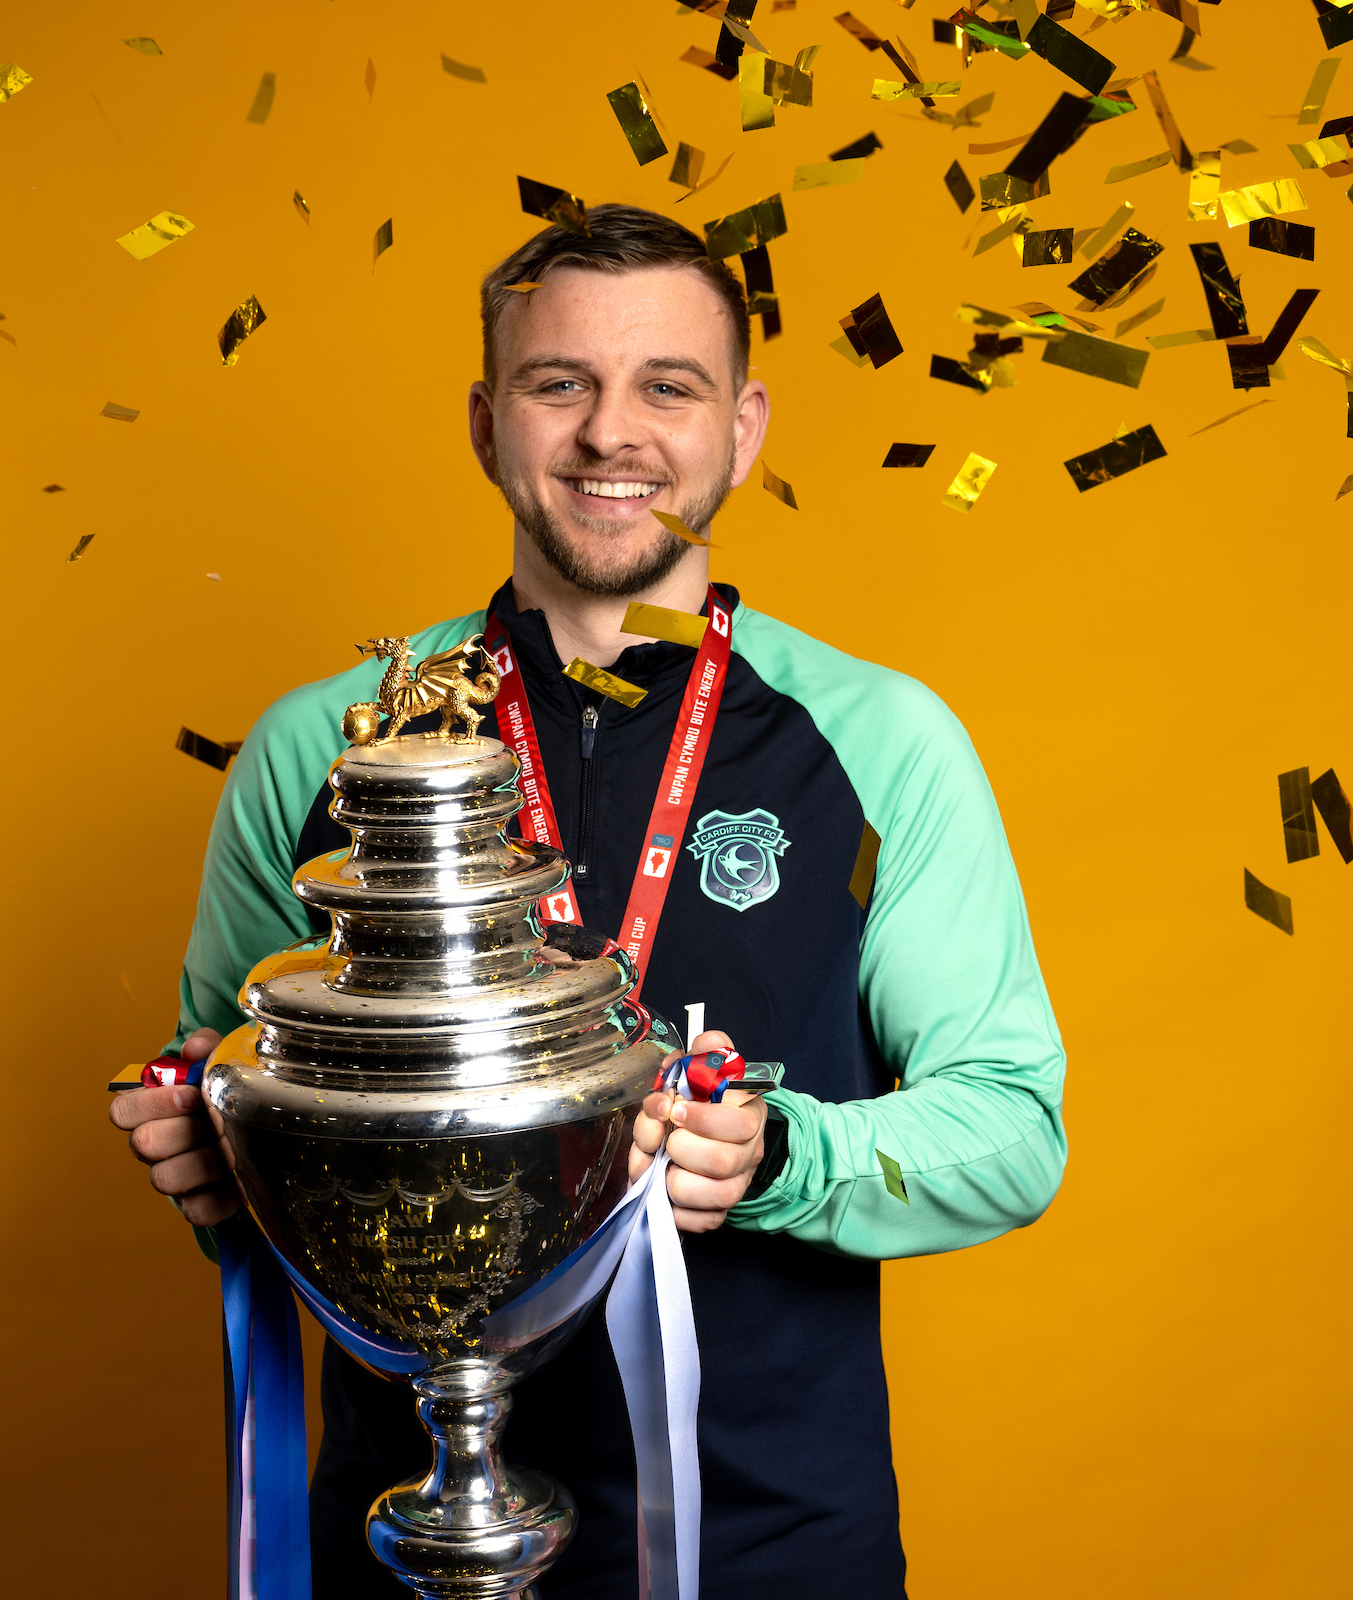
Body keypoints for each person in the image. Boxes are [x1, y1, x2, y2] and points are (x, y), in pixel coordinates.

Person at [109, 203, 1067, 1598]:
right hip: (409, 1539)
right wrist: (198, 1138)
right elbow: (238, 1088)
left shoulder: (882, 740)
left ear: (740, 429)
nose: (611, 435)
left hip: (774, 1548)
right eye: (561, 384)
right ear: (488, 421)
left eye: (665, 387)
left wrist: (776, 1160)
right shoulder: (326, 746)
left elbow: (1012, 1127)